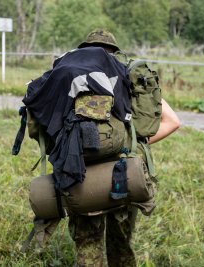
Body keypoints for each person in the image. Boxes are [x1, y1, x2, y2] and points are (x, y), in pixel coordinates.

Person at [68, 30, 180, 267]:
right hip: (125, 173)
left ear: (83, 49)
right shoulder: (131, 76)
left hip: (82, 174)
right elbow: (173, 122)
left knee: (88, 247)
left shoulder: (71, 77)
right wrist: (133, 143)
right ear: (115, 51)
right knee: (121, 246)